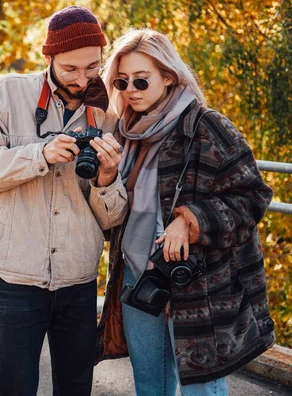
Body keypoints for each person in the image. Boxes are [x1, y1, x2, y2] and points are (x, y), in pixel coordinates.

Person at [0, 6, 128, 396]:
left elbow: (113, 219)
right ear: (47, 56)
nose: (82, 79)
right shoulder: (4, 95)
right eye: (70, 68)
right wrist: (40, 154)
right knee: (15, 388)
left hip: (78, 279)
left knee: (75, 388)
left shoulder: (108, 115)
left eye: (92, 68)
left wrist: (106, 179)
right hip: (16, 276)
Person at [96, 28, 276, 395]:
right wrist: (105, 177)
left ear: (168, 76)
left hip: (197, 282)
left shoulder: (207, 127)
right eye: (122, 80)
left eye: (142, 81)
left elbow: (252, 197)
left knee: (200, 390)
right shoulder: (123, 134)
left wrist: (189, 220)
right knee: (150, 384)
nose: (131, 89)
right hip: (137, 276)